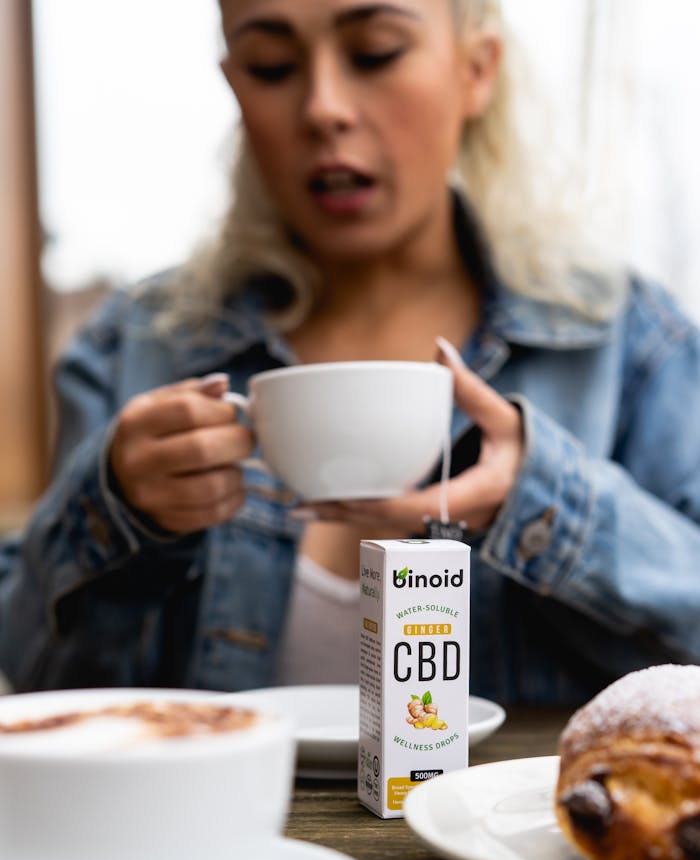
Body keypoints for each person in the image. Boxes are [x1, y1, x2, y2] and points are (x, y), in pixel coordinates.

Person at [1, 0, 699, 704]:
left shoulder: (626, 346)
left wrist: (549, 502)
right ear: (235, 86)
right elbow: (37, 683)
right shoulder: (135, 347)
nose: (323, 109)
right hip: (218, 818)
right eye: (271, 66)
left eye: (375, 52)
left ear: (476, 69)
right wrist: (116, 508)